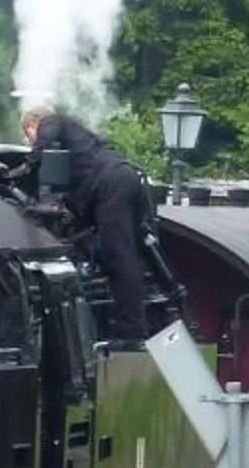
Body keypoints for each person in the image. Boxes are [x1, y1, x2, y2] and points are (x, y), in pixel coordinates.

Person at [20, 100, 159, 344]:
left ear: (33, 124)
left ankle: (131, 332)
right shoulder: (77, 136)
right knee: (126, 254)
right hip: (120, 182)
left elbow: (47, 134)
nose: (29, 139)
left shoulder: (53, 122)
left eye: (27, 133)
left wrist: (29, 164)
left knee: (120, 258)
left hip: (111, 186)